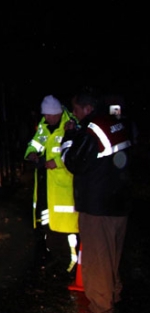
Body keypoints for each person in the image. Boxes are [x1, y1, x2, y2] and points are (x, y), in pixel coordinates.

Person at [62, 88, 132, 313]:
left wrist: (69, 137)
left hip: (97, 208)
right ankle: (114, 293)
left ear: (87, 108)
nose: (74, 114)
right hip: (119, 204)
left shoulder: (92, 130)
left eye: (75, 109)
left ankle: (102, 306)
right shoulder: (117, 123)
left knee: (97, 261)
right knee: (112, 255)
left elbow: (73, 162)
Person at [24, 95, 79, 280]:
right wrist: (31, 153)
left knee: (69, 227)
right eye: (45, 115)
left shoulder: (70, 125)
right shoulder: (43, 125)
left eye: (49, 115)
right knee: (48, 225)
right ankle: (56, 257)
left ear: (57, 113)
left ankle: (73, 262)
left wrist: (56, 162)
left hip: (64, 188)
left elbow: (75, 153)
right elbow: (35, 142)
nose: (46, 118)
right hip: (45, 185)